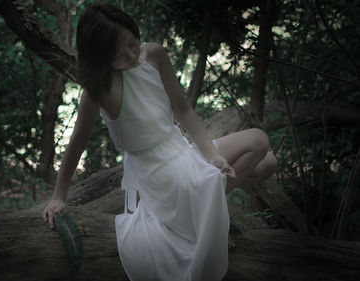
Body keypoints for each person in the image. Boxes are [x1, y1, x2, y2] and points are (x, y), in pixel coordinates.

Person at [42, 3, 277, 281]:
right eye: (119, 54)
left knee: (268, 164)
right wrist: (58, 197)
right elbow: (76, 145)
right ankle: (203, 220)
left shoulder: (154, 54)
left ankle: (203, 212)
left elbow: (184, 110)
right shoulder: (98, 90)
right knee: (258, 140)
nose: (132, 55)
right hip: (156, 173)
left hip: (178, 149)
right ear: (101, 57)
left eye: (132, 42)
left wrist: (213, 155)